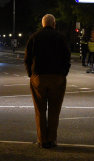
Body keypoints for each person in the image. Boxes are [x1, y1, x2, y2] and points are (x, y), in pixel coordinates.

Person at [24, 14, 71, 149]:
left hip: (38, 77)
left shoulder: (34, 37)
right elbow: (66, 56)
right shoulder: (60, 37)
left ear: (42, 24)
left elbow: (27, 58)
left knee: (40, 110)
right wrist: (63, 73)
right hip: (57, 77)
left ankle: (42, 140)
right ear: (54, 24)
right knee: (54, 110)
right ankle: (51, 139)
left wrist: (31, 74)